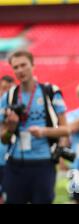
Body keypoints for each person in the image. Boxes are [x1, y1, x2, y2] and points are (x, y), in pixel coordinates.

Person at [0, 50, 69, 204]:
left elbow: (66, 129)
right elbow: (4, 139)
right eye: (15, 67)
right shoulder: (8, 97)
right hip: (15, 164)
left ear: (33, 65)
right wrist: (10, 128)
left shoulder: (50, 92)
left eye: (23, 65)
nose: (20, 70)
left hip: (43, 163)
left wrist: (44, 131)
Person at [0, 75, 14, 204]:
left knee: (10, 194)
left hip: (10, 157)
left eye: (9, 89)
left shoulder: (17, 107)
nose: (5, 92)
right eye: (3, 88)